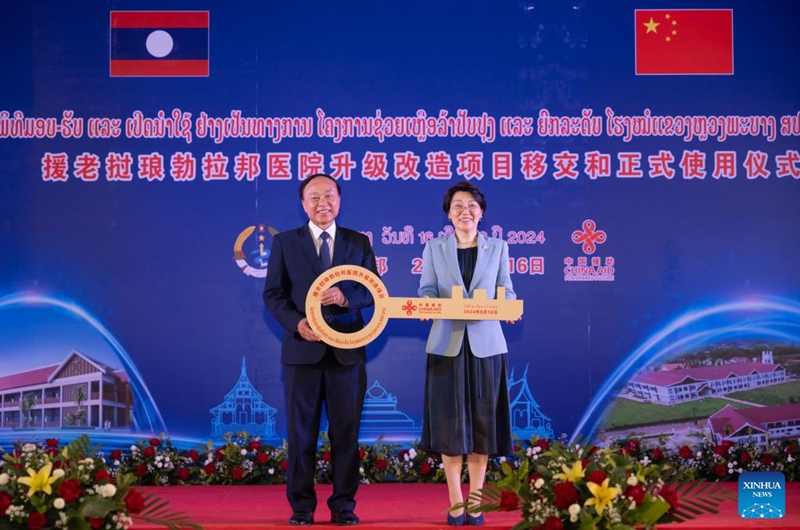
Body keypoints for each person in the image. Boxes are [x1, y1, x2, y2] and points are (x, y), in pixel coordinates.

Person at [263, 173, 378, 526]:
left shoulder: (358, 242)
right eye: (314, 197)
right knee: (301, 434)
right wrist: (297, 322)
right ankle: (301, 507)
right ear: (303, 203)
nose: (322, 203)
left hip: (347, 353)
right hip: (302, 352)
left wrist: (346, 297)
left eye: (329, 195)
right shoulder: (285, 243)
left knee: (346, 432)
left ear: (339, 200)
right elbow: (273, 294)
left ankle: (344, 506)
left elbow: (372, 290)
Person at [418, 181, 516, 527]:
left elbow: (506, 288)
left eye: (472, 206)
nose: (465, 212)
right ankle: (455, 502)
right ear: (448, 213)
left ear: (482, 212)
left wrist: (507, 305)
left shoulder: (499, 247)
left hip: (486, 347)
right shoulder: (434, 248)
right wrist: (428, 305)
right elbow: (426, 289)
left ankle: (476, 502)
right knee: (449, 426)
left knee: (482, 426)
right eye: (458, 206)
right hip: (447, 345)